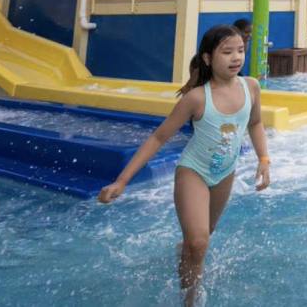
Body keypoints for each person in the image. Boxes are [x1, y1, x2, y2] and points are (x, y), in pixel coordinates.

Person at [98, 25, 271, 306]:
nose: (236, 57)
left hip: (225, 173)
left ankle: (187, 249)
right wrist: (122, 181)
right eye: (227, 52)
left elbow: (255, 122)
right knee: (199, 242)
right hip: (194, 172)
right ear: (207, 59)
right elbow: (158, 137)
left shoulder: (250, 86)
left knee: (204, 235)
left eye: (240, 50)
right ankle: (190, 299)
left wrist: (264, 159)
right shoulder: (197, 98)